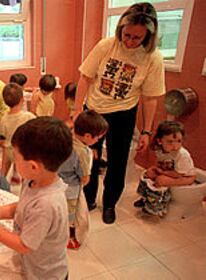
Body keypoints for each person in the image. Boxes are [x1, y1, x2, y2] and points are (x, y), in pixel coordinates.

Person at [74, 2, 165, 224]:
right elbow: (85, 77)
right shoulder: (106, 45)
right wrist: (77, 111)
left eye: (137, 38)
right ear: (120, 28)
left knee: (118, 161)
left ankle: (110, 203)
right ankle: (88, 198)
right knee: (88, 157)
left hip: (123, 114)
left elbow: (150, 98)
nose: (130, 41)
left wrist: (146, 131)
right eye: (127, 35)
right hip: (94, 111)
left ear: (148, 36)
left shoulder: (153, 58)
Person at [0, 117, 72, 280]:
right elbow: (22, 207)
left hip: (45, 275)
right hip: (31, 264)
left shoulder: (46, 204)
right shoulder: (33, 180)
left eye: (16, 157)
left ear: (33, 166)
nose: (13, 161)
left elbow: (23, 245)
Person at [58, 110, 108, 249]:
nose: (97, 141)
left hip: (56, 182)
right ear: (87, 136)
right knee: (72, 214)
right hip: (72, 187)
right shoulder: (83, 152)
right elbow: (85, 177)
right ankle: (69, 237)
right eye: (97, 138)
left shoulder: (65, 137)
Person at [133, 121, 196, 216]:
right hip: (170, 171)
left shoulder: (182, 155)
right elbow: (161, 163)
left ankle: (155, 206)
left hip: (186, 177)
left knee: (160, 180)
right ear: (160, 141)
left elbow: (178, 174)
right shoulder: (159, 149)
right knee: (148, 173)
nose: (175, 146)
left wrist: (162, 173)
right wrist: (157, 169)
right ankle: (145, 198)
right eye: (170, 142)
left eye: (179, 141)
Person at [0, 83, 36, 183]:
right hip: (23, 152)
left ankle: (0, 185)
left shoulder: (3, 118)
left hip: (9, 150)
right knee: (26, 174)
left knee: (3, 172)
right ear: (22, 99)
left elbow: (2, 138)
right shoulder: (29, 117)